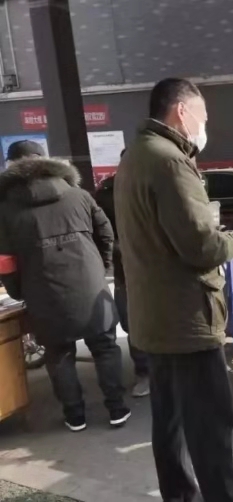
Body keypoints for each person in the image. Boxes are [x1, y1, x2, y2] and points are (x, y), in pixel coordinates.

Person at [114, 78, 233, 502]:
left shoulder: (135, 155)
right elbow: (202, 247)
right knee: (210, 426)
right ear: (181, 111)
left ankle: (179, 495)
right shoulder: (170, 162)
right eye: (203, 116)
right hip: (187, 320)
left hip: (155, 317)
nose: (205, 126)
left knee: (168, 421)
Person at [0, 143, 129, 432]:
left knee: (59, 354)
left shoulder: (5, 208)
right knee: (105, 347)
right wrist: (101, 266)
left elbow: (5, 260)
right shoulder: (77, 194)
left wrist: (17, 290)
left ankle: (75, 415)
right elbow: (105, 232)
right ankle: (116, 408)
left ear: (12, 165)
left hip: (41, 292)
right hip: (90, 285)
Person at [95, 150, 150, 397]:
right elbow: (100, 234)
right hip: (126, 271)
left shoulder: (160, 187)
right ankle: (145, 373)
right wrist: (118, 250)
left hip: (162, 270)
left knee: (167, 323)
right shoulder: (106, 195)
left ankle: (169, 373)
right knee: (133, 324)